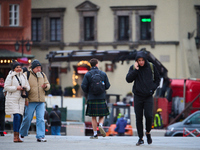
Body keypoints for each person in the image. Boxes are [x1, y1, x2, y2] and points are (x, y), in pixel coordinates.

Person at [126, 51, 160, 146]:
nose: (141, 62)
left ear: (145, 59)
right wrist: (135, 70)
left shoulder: (151, 67)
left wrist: (152, 89)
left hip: (148, 96)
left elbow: (158, 79)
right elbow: (128, 79)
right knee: (138, 117)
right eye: (139, 60)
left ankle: (148, 132)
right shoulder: (133, 68)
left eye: (142, 60)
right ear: (136, 61)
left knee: (149, 116)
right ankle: (140, 138)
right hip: (138, 96)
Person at [19, 59, 50, 142]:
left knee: (41, 119)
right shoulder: (27, 74)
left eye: (40, 67)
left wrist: (46, 86)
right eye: (37, 67)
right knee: (28, 118)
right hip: (30, 100)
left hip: (41, 101)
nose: (39, 69)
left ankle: (40, 136)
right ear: (32, 68)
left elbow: (48, 84)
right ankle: (22, 133)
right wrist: (25, 99)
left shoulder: (43, 75)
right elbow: (23, 88)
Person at [81, 58, 110, 139]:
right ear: (97, 64)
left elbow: (83, 86)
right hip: (101, 97)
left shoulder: (87, 74)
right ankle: (100, 125)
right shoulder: (103, 74)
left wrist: (89, 92)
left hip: (91, 97)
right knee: (102, 115)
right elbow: (107, 86)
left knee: (93, 117)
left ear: (91, 65)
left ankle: (95, 134)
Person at [4, 60, 30, 142]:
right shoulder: (10, 76)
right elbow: (6, 87)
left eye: (19, 67)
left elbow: (28, 87)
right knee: (17, 116)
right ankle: (15, 136)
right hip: (12, 99)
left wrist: (25, 87)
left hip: (21, 100)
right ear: (14, 69)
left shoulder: (23, 76)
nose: (19, 68)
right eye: (17, 67)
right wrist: (16, 88)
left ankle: (17, 136)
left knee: (19, 118)